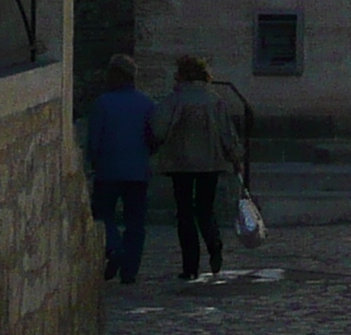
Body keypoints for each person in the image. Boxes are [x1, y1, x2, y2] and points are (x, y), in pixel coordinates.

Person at [156, 55, 242, 281]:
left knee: (184, 212)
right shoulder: (214, 100)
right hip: (210, 163)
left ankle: (190, 265)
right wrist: (235, 156)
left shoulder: (175, 100)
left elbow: (158, 129)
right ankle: (214, 244)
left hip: (180, 163)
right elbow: (227, 133)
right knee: (205, 208)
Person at [82, 55, 159, 284]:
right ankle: (130, 269)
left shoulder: (103, 103)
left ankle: (114, 248)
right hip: (137, 170)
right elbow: (154, 137)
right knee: (136, 221)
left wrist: (92, 162)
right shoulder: (147, 103)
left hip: (109, 169)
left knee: (103, 213)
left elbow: (94, 139)